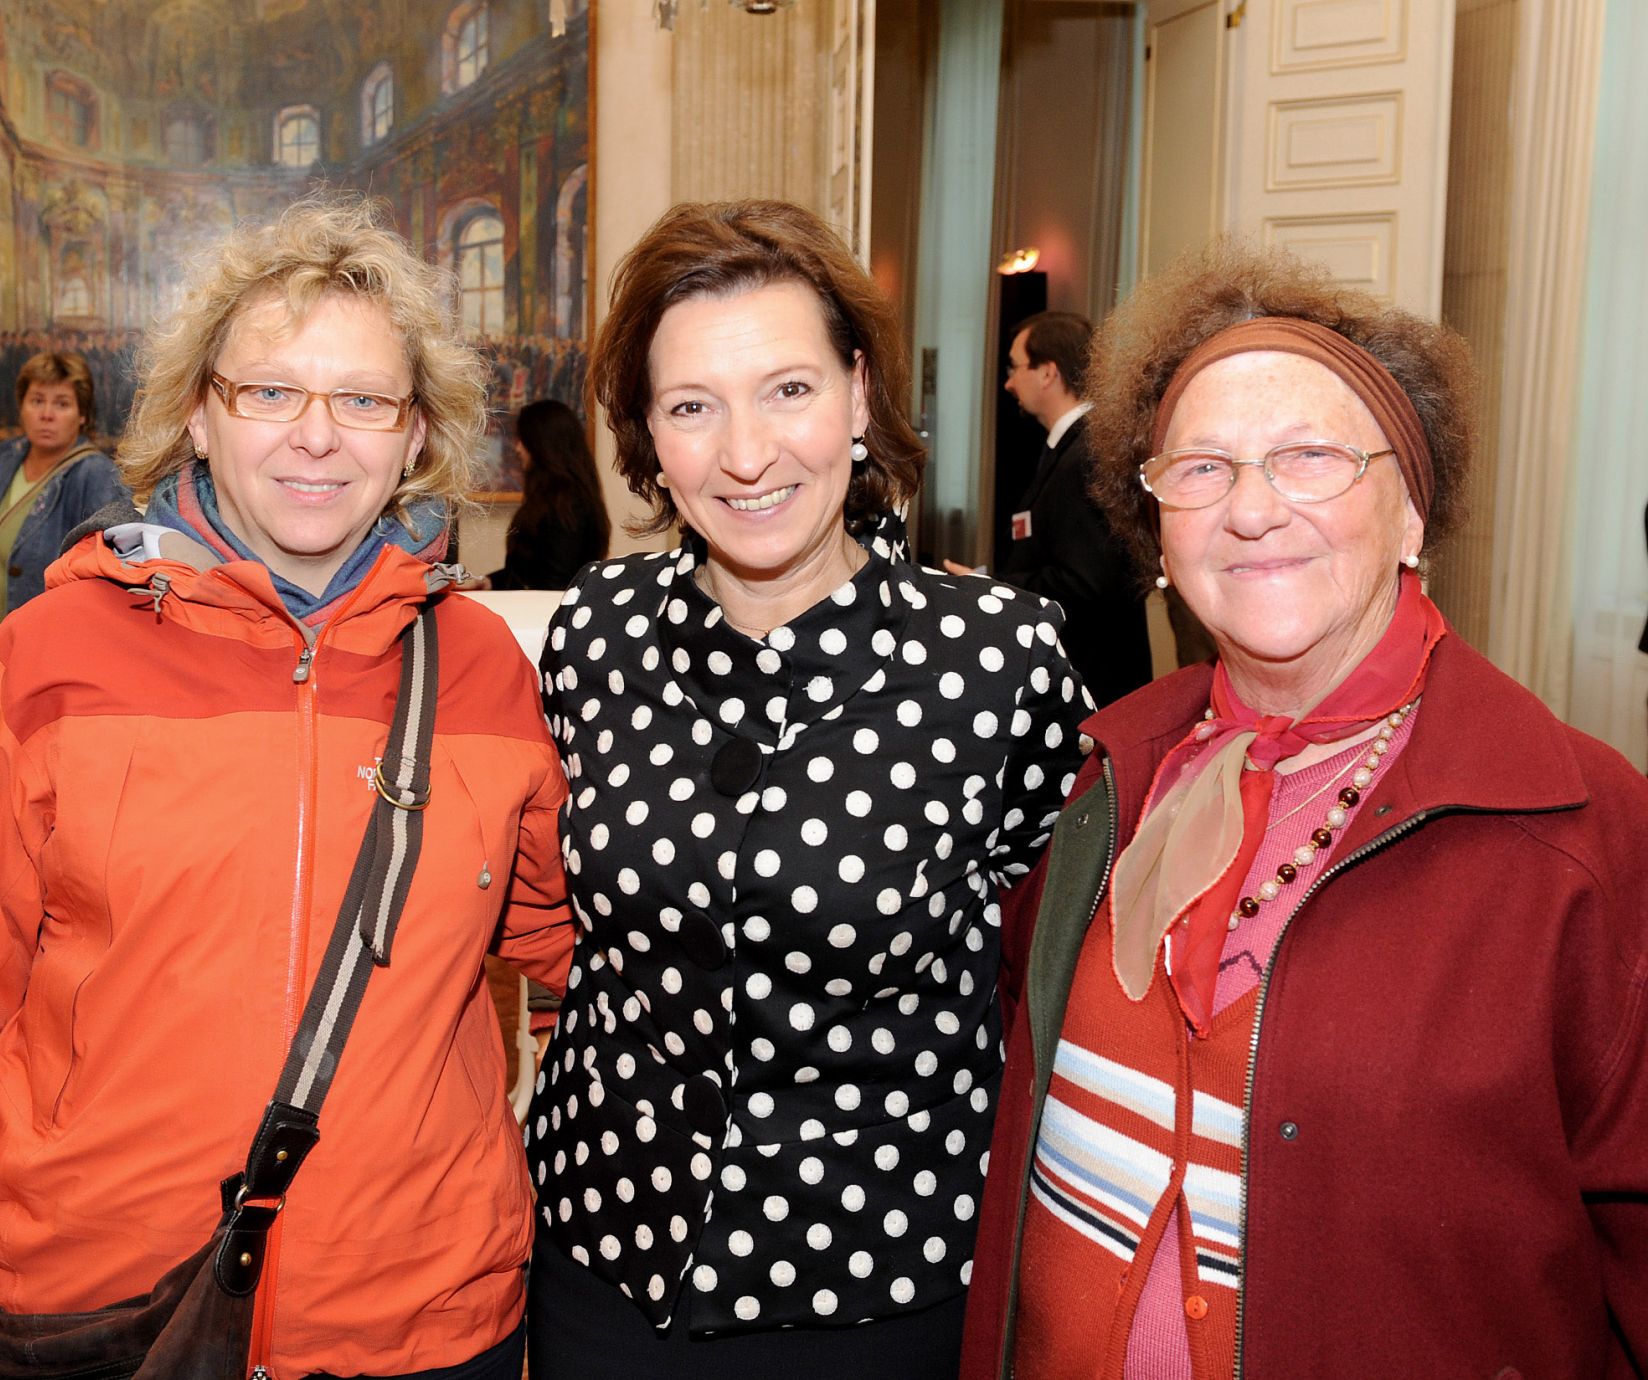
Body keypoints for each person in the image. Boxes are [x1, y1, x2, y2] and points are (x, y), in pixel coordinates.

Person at [0, 199, 574, 1379]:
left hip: (416, 1320)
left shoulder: (479, 670)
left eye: (363, 400)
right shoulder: (49, 660)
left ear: (414, 436)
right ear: (199, 417)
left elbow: (584, 946)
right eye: (270, 391)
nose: (317, 437)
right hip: (101, 1314)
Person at [961, 241, 1648, 1378]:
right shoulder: (1109, 776)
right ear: (1157, 530)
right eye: (1201, 469)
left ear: (1412, 511)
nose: (1249, 510)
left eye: (1309, 458)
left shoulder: (1581, 832)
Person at [521, 199, 1091, 1379]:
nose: (745, 454)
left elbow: (1056, 954)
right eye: (692, 407)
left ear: (859, 395)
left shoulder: (996, 658)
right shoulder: (594, 633)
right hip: (605, 1261)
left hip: (879, 1281)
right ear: (646, 434)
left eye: (787, 389)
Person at [947, 311, 1150, 705]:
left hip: (1092, 683)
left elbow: (1085, 584)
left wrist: (994, 586)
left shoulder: (1086, 454)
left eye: (1015, 367)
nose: (1008, 382)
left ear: (1047, 373)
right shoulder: (1073, 446)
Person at [0, 350, 126, 669]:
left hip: (42, 660)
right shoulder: (0, 460)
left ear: (82, 415)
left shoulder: (95, 476)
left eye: (62, 404)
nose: (47, 414)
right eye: (37, 400)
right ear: (22, 406)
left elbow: (104, 580)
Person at [473, 398, 608, 590]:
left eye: (523, 440)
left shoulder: (567, 504)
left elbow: (553, 583)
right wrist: (489, 582)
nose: (518, 449)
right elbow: (527, 572)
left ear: (541, 445)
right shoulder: (561, 499)